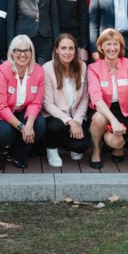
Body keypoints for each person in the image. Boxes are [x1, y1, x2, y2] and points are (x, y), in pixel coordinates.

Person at [0, 35, 46, 170]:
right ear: (12, 53)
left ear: (32, 52)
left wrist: (29, 125)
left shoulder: (38, 71)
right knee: (4, 131)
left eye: (26, 50)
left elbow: (36, 103)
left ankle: (17, 154)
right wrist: (22, 127)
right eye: (18, 50)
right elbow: (0, 107)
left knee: (39, 125)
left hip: (17, 109)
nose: (22, 54)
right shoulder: (2, 70)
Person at [87, 29, 128, 169]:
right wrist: (114, 122)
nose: (112, 48)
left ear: (121, 47)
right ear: (101, 47)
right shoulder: (93, 68)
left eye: (116, 44)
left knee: (114, 140)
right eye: (108, 44)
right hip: (102, 109)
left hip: (124, 112)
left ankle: (117, 145)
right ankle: (96, 149)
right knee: (99, 118)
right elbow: (96, 98)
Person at [42, 34, 90, 167]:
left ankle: (66, 140)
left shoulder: (82, 66)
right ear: (56, 49)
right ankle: (52, 149)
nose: (67, 52)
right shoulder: (47, 68)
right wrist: (69, 122)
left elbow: (85, 97)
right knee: (55, 127)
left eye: (71, 48)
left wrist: (77, 121)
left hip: (75, 114)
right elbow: (48, 104)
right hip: (55, 116)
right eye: (63, 48)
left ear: (76, 50)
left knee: (82, 146)